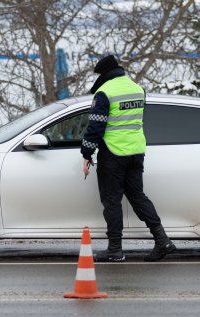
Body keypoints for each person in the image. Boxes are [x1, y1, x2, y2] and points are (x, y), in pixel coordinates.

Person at [80, 55, 176, 262]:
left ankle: (115, 250)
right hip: (136, 152)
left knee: (112, 202)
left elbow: (96, 127)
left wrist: (86, 153)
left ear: (103, 74)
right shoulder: (137, 88)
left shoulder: (105, 92)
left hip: (113, 153)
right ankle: (162, 241)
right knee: (138, 197)